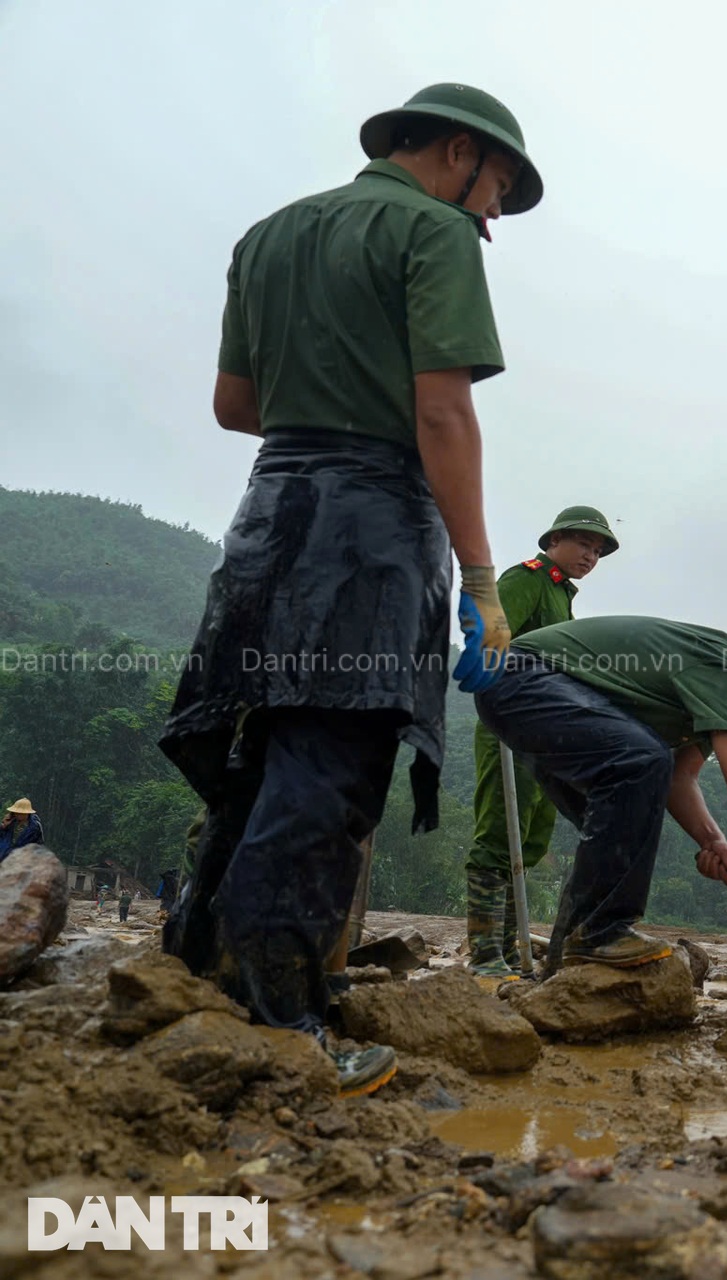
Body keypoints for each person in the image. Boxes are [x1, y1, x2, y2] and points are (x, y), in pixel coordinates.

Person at [159, 83, 544, 1098]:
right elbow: (444, 415)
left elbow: (234, 406)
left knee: (263, 748)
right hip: (373, 523)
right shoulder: (434, 231)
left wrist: (321, 400)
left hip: (268, 512)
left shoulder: (270, 234)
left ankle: (195, 967)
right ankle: (282, 1017)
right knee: (331, 764)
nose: (494, 215)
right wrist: (482, 576)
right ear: (459, 152)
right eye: (498, 186)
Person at [473, 615, 727, 970]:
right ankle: (598, 934)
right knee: (641, 761)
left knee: (613, 824)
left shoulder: (714, 696)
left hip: (525, 690)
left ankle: (569, 959)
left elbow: (679, 779)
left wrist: (713, 840)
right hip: (520, 677)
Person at [467, 506, 618, 977]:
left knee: (528, 839)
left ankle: (510, 951)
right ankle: (485, 955)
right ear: (553, 541)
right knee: (498, 832)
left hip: (547, 734)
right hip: (509, 721)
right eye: (583, 545)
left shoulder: (562, 596)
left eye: (597, 551)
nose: (590, 556)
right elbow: (489, 635)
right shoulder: (528, 579)